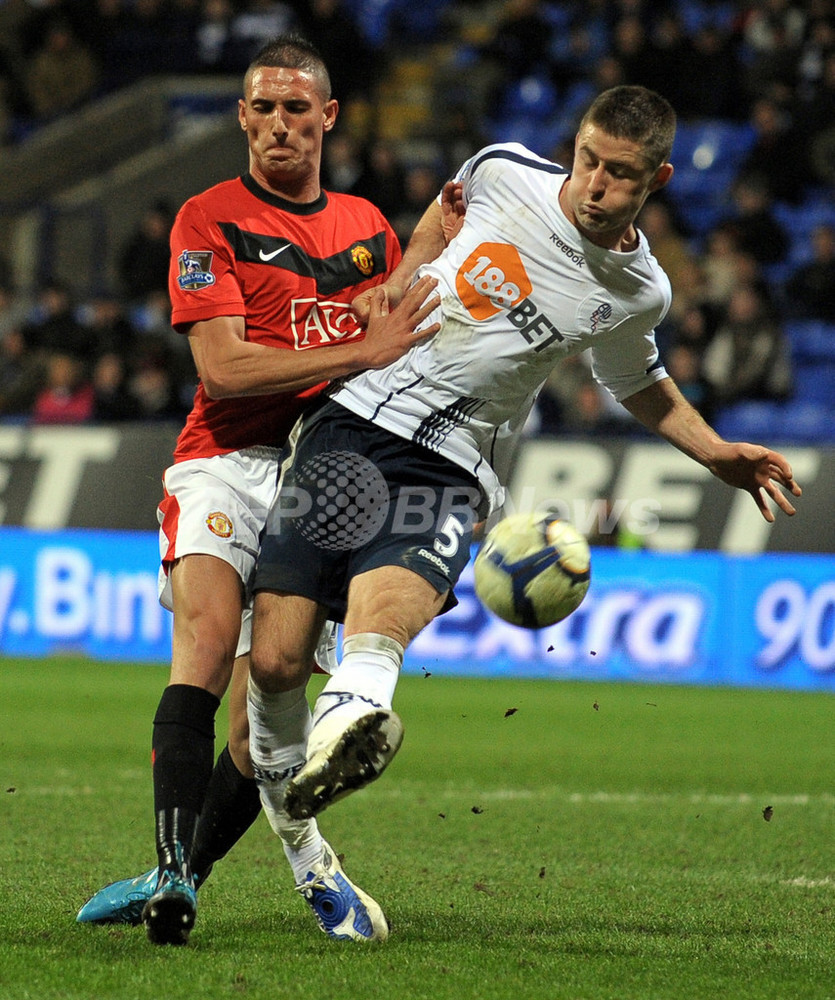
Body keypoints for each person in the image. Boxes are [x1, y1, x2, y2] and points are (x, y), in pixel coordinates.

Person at [244, 88, 802, 913]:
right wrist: (399, 284)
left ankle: (354, 714)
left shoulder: (639, 290)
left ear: (658, 178)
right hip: (354, 417)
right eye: (586, 161)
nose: (593, 186)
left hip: (455, 462)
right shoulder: (504, 170)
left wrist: (712, 449)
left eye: (618, 174)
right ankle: (309, 836)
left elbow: (635, 381)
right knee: (273, 662)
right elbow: (445, 211)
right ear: (571, 147)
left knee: (383, 615)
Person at [76, 34, 441, 947]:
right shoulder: (207, 218)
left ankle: (193, 877)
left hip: (322, 478)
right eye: (262, 108)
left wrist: (398, 305)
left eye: (295, 108)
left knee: (259, 721)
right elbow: (227, 369)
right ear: (242, 117)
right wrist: (363, 345)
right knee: (202, 639)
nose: (279, 124)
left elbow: (394, 345)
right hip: (224, 461)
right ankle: (177, 869)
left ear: (327, 117)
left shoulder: (365, 228)